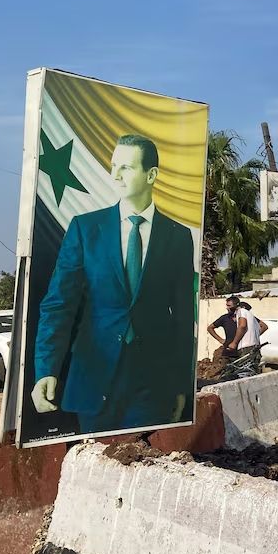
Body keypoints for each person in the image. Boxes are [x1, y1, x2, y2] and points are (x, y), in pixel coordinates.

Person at [31, 134, 195, 433]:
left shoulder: (178, 237)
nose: (115, 175)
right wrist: (46, 369)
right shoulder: (85, 229)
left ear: (151, 174)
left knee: (141, 466)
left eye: (126, 168)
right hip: (93, 379)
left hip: (151, 385)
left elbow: (184, 318)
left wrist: (182, 383)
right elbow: (59, 305)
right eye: (113, 166)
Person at [225, 301, 268, 377]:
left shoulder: (241, 311)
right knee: (253, 373)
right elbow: (264, 326)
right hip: (255, 347)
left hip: (246, 348)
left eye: (229, 305)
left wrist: (234, 342)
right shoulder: (252, 317)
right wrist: (255, 336)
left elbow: (242, 326)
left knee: (243, 373)